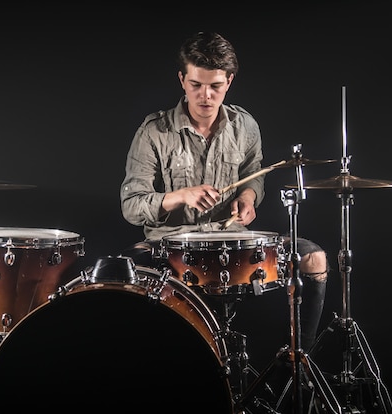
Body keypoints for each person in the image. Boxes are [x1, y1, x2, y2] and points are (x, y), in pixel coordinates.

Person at [119, 31, 328, 386]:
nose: (206, 96)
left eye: (215, 86)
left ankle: (298, 368)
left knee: (315, 259)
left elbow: (254, 177)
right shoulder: (154, 131)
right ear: (182, 79)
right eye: (197, 84)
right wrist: (180, 196)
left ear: (229, 81)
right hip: (170, 247)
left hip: (232, 243)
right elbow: (131, 205)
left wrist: (248, 200)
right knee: (120, 275)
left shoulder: (245, 125)